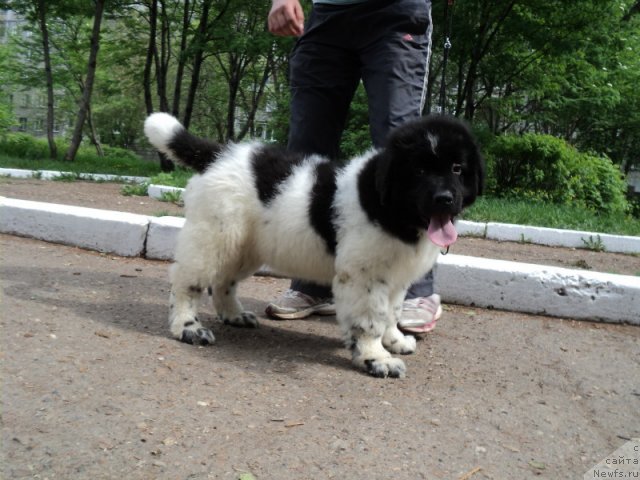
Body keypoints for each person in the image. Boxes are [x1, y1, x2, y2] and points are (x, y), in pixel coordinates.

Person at [265, 0, 442, 334]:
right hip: (327, 16)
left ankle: (416, 289)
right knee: (305, 153)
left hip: (397, 13)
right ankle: (311, 282)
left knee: (399, 150)